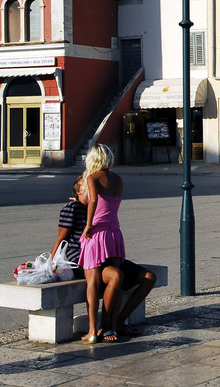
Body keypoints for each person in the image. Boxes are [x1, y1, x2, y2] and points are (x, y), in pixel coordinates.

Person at [51, 178, 156, 337]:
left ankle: (119, 322)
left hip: (105, 256)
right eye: (88, 189)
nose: (94, 191)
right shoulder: (71, 209)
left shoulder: (98, 207)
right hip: (82, 259)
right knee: (115, 275)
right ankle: (105, 327)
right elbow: (61, 238)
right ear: (79, 193)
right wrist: (49, 265)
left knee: (149, 277)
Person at [79, 144, 125, 343]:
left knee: (93, 282)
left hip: (97, 233)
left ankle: (92, 330)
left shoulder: (92, 178)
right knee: (115, 282)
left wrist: (88, 225)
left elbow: (94, 201)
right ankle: (110, 326)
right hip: (114, 233)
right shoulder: (118, 179)